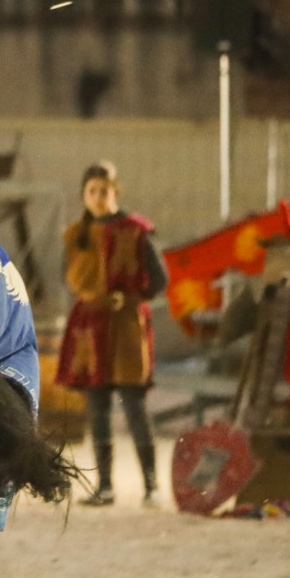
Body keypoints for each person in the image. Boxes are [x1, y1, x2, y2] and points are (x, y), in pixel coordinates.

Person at [54, 161, 168, 506]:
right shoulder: (76, 234)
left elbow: (160, 279)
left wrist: (131, 300)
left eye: (104, 191)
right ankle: (105, 486)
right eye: (92, 191)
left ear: (115, 192)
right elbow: (68, 276)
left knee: (135, 406)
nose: (98, 197)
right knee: (98, 408)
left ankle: (151, 486)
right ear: (84, 195)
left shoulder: (136, 230)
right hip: (90, 326)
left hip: (126, 324)